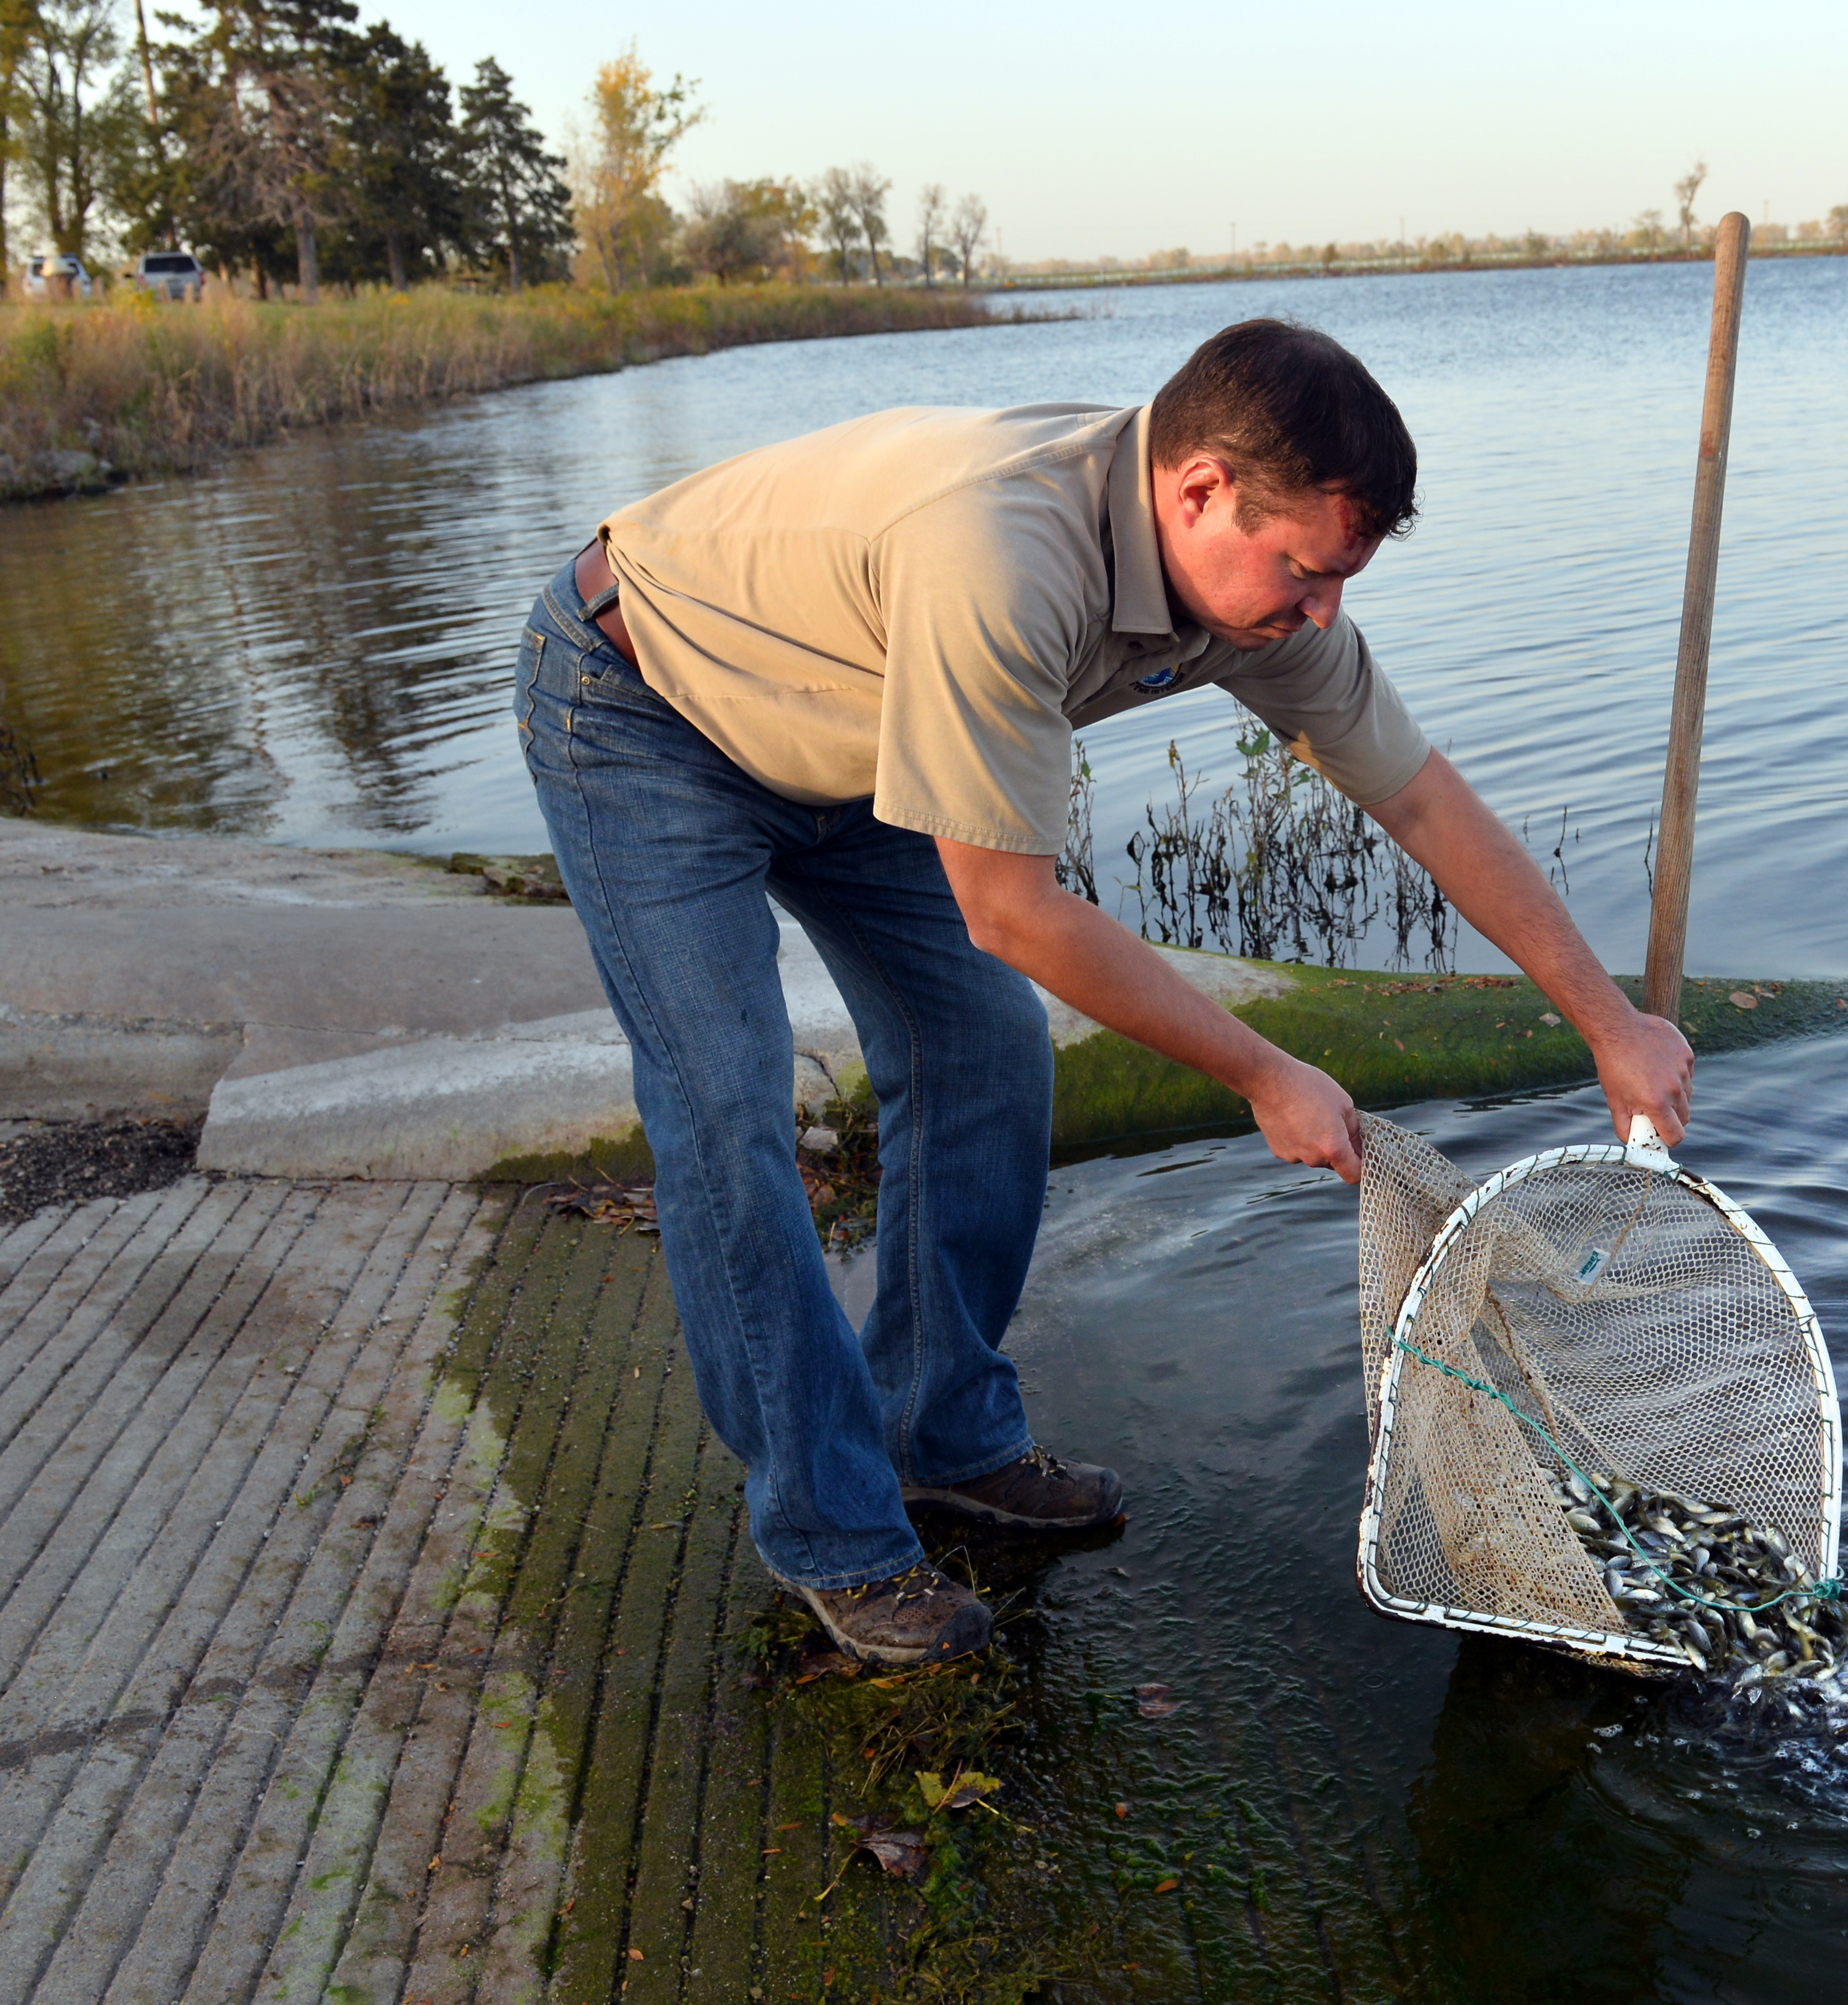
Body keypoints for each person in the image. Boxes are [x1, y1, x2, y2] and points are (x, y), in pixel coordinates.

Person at [516, 318, 1693, 1665]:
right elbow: (1008, 906)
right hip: (645, 705)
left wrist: (1613, 1023)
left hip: (860, 733)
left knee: (989, 1053)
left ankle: (940, 1434)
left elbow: (1416, 794)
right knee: (727, 1106)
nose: (1320, 615)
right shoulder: (1003, 558)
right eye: (1305, 573)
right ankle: (832, 1528)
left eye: (1342, 581)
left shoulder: (1258, 592)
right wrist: (1264, 1070)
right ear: (1197, 490)